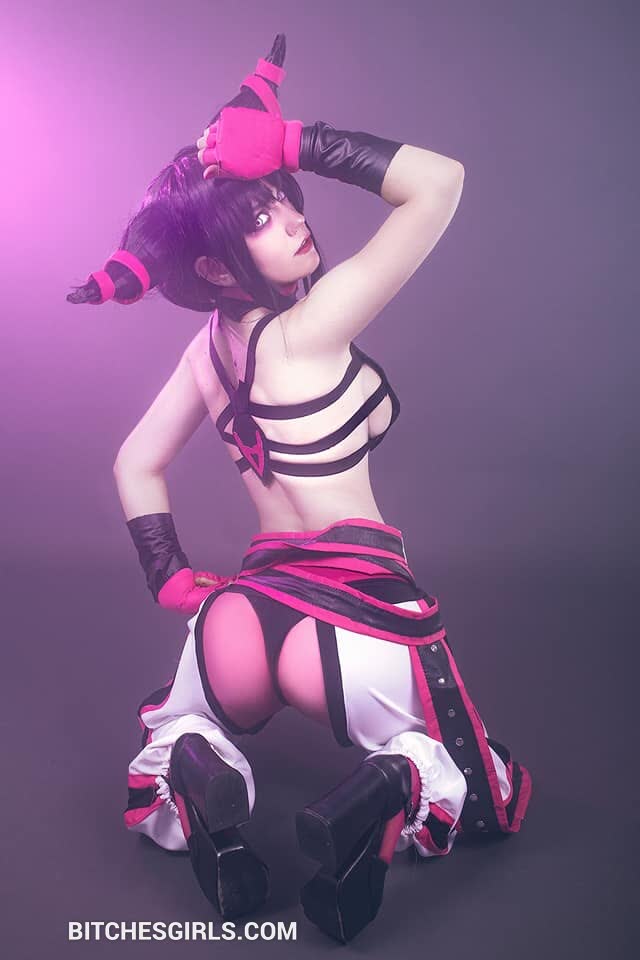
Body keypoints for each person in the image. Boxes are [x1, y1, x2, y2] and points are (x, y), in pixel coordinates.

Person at [68, 35, 532, 943]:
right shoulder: (311, 330)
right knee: (471, 772)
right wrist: (291, 142)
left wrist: (171, 576)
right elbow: (439, 182)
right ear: (212, 267)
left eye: (284, 198)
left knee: (188, 726)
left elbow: (134, 463)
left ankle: (204, 782)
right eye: (258, 218)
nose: (289, 221)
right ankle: (395, 783)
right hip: (355, 610)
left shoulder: (205, 352)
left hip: (240, 616)